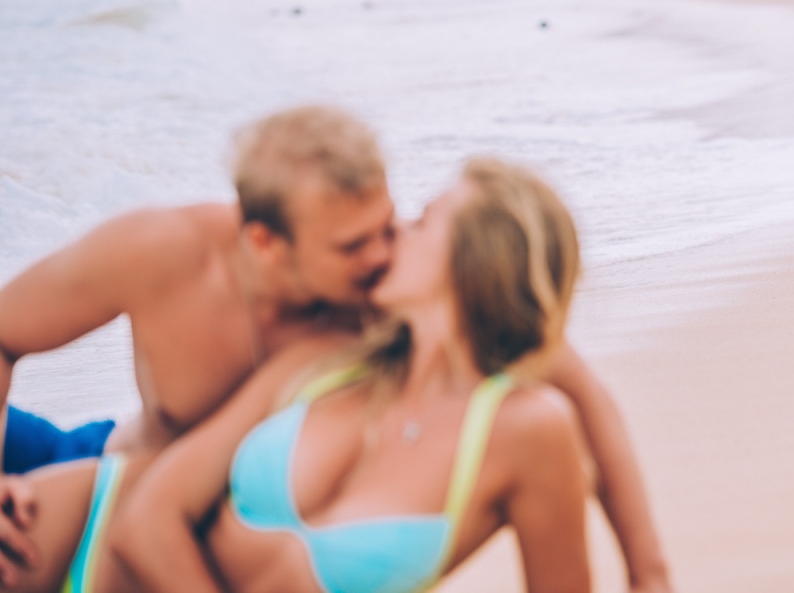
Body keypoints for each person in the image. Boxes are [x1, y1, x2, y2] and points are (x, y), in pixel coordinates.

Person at [0, 106, 670, 592]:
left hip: (147, 509)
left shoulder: (379, 316)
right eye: (355, 244)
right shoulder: (171, 255)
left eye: (395, 225)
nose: (382, 251)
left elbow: (583, 398)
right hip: (93, 480)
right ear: (267, 243)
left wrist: (649, 575)